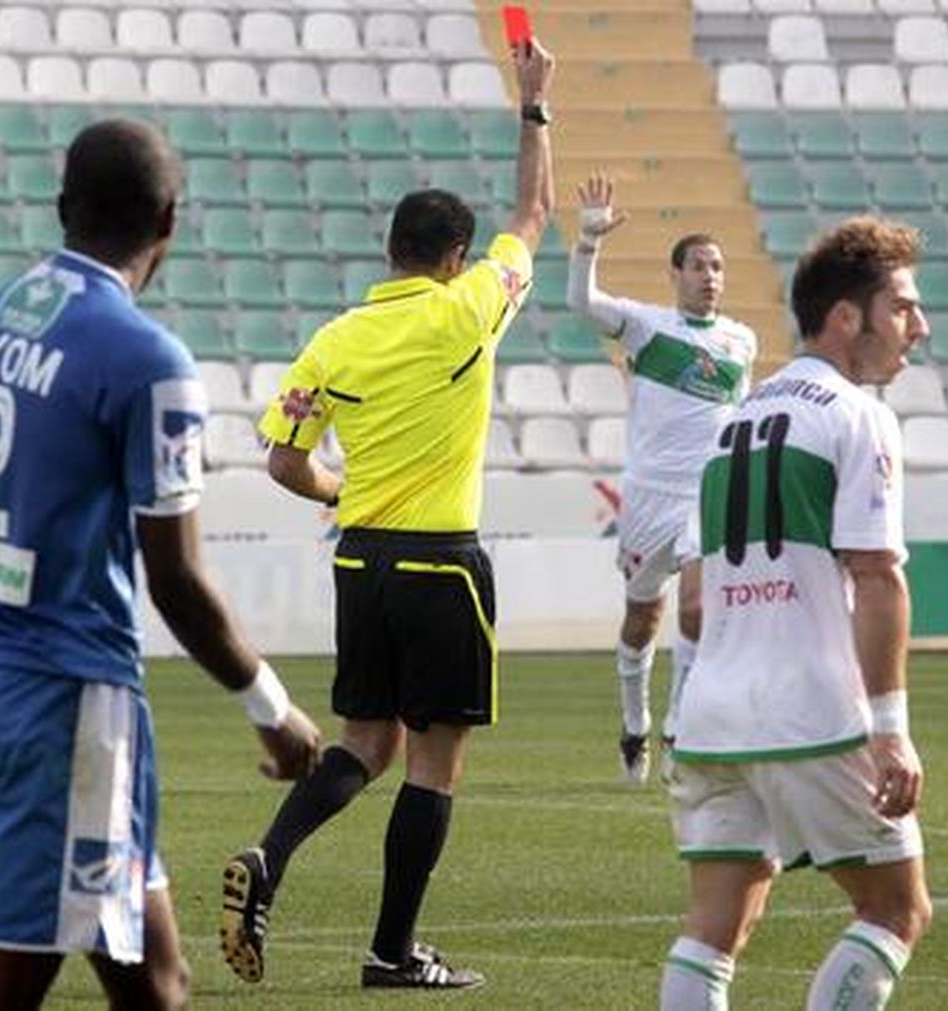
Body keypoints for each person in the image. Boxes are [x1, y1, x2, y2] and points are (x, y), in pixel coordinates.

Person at [0, 119, 322, 1010]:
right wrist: (273, 710)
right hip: (65, 708)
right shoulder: (151, 361)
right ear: (171, 222)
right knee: (0, 986)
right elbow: (176, 578)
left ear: (63, 207)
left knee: (154, 982)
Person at [220, 35, 555, 992]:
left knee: (366, 740)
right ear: (454, 256)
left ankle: (272, 857)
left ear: (389, 251)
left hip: (359, 558)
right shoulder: (466, 310)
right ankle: (392, 951)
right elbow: (533, 213)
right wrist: (535, 104)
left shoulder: (337, 336)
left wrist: (343, 492)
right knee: (433, 764)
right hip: (442, 561)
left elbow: (284, 460)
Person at [659, 217, 932, 1010]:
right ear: (847, 317)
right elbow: (878, 577)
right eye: (904, 307)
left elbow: (697, 599)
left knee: (714, 928)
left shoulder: (731, 426)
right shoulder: (857, 415)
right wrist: (889, 728)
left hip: (711, 714)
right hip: (810, 709)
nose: (919, 326)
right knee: (894, 908)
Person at [566, 172, 758, 784]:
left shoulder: (741, 342)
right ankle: (635, 726)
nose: (710, 276)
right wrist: (588, 242)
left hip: (710, 493)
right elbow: (582, 304)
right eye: (699, 266)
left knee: (699, 610)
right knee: (642, 620)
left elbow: (737, 414)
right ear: (675, 275)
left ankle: (680, 728)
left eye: (718, 266)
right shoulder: (647, 326)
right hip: (651, 495)